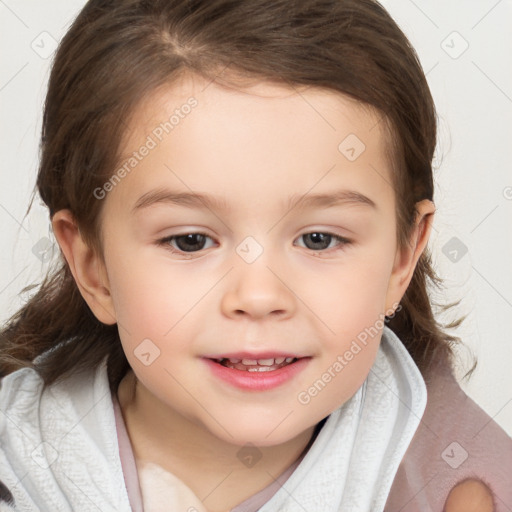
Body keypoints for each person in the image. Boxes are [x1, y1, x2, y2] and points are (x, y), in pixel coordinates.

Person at [0, 0, 510, 511]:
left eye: (319, 239)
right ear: (94, 268)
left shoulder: (460, 490)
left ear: (402, 259)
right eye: (190, 241)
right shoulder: (17, 465)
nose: (259, 296)